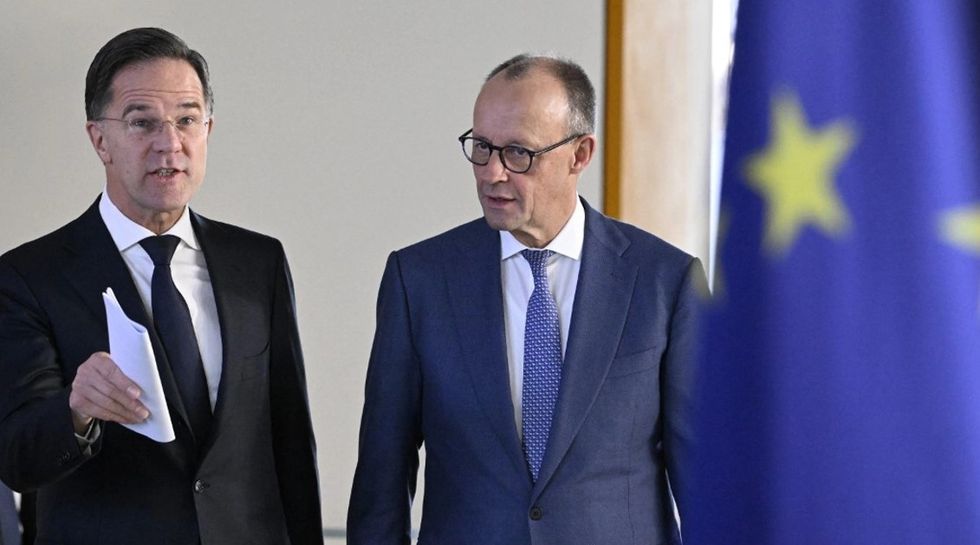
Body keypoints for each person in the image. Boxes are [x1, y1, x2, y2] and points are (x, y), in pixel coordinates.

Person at [347, 54, 703, 544]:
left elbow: (706, 480)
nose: (492, 173)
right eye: (482, 147)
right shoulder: (420, 280)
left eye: (518, 153)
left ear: (580, 154)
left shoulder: (666, 282)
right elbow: (381, 480)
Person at [0, 28, 322, 545]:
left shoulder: (257, 262)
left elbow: (290, 441)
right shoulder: (29, 276)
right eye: (142, 122)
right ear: (99, 139)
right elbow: (16, 457)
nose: (169, 143)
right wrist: (77, 411)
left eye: (187, 120)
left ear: (208, 130)